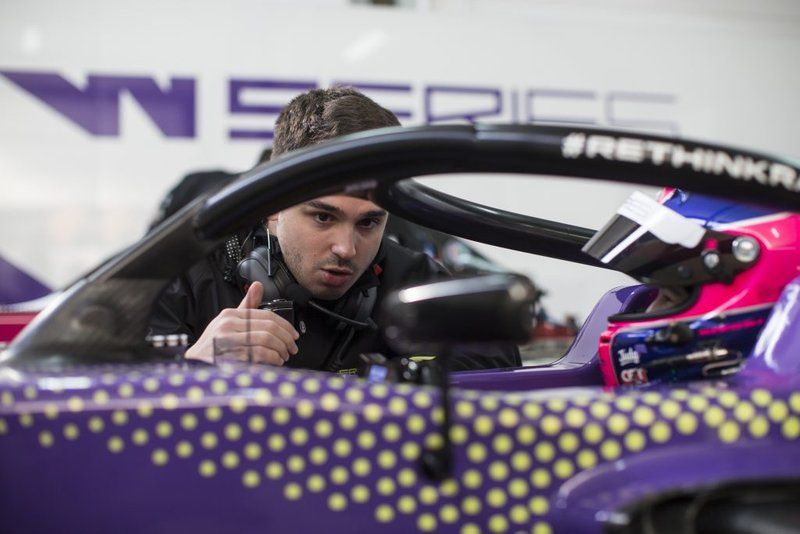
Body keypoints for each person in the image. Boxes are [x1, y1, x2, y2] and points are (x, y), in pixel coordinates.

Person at [149, 87, 520, 372]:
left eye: (369, 222)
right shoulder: (184, 280)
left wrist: (408, 377)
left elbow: (501, 374)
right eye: (324, 218)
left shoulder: (415, 282)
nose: (346, 248)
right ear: (274, 201)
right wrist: (193, 366)